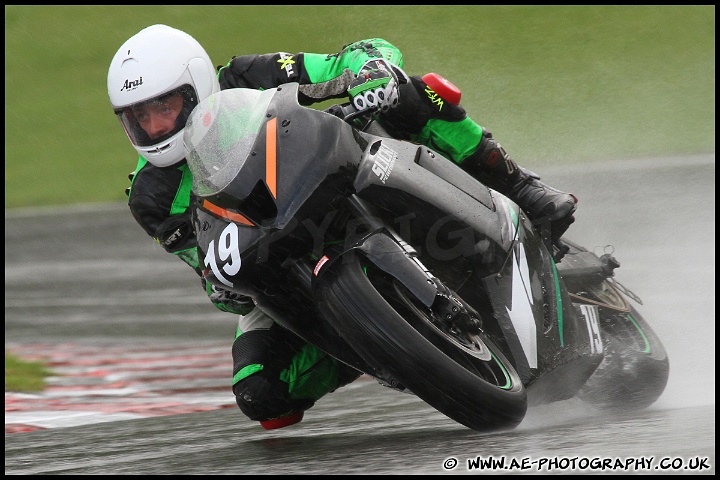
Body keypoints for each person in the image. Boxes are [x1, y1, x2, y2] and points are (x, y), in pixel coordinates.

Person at [107, 24, 577, 429]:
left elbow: (351, 55)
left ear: (196, 87)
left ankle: (521, 187)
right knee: (261, 397)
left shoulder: (249, 74)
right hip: (272, 256)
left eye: (164, 107)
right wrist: (220, 286)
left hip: (337, 172)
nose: (154, 127)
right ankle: (377, 343)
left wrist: (372, 71)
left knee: (413, 91)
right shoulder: (150, 195)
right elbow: (207, 266)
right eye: (139, 118)